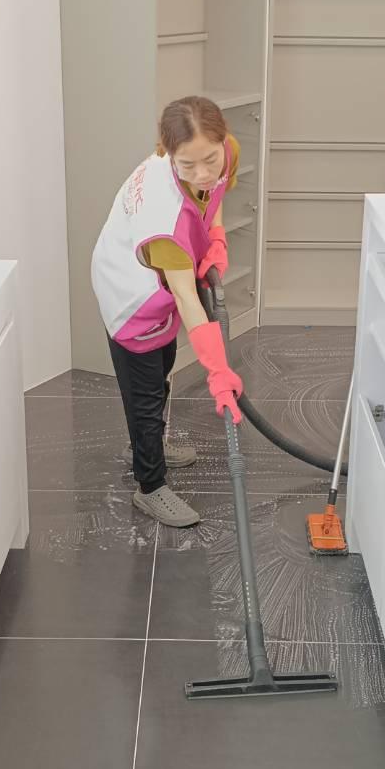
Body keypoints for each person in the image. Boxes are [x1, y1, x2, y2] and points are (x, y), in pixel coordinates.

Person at [91, 96, 244, 528]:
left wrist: (217, 239)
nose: (203, 173)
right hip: (130, 296)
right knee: (145, 394)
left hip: (159, 283)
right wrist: (217, 371)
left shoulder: (227, 151)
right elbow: (186, 298)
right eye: (187, 165)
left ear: (222, 140)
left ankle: (151, 441)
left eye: (210, 159)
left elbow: (215, 194)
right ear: (166, 152)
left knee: (164, 366)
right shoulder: (164, 218)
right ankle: (150, 484)